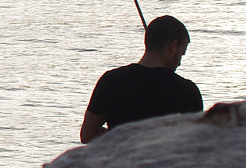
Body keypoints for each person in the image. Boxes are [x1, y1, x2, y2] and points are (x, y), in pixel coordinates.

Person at [80, 14, 203, 143]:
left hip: (122, 161)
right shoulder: (187, 92)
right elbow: (194, 144)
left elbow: (87, 135)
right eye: (181, 54)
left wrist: (118, 137)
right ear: (173, 47)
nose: (179, 63)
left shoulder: (110, 81)